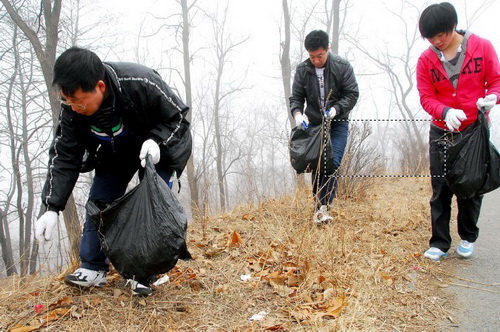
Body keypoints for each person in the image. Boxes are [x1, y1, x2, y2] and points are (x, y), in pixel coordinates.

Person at [34, 47, 192, 295]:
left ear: (100, 86)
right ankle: (93, 267)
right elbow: (65, 155)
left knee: (152, 203)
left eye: (78, 101)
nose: (73, 107)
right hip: (115, 151)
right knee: (100, 200)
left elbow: (178, 117)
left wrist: (157, 141)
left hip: (157, 147)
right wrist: (51, 207)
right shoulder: (71, 110)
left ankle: (144, 273)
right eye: (67, 101)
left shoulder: (139, 82)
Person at [416, 2, 500, 261]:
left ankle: (468, 236)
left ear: (452, 27)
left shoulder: (481, 47)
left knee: (470, 185)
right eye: (431, 37)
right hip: (441, 131)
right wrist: (444, 112)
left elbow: (496, 80)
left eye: (441, 34)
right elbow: (426, 97)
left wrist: (492, 97)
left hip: (473, 130)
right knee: (440, 188)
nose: (436, 41)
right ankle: (439, 243)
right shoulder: (426, 59)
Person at [290, 29, 359, 224]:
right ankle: (320, 208)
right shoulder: (303, 70)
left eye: (320, 55)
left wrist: (337, 108)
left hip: (337, 122)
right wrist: (297, 114)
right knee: (318, 164)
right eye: (312, 56)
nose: (316, 60)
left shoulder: (342, 66)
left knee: (332, 161)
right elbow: (296, 97)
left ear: (328, 49)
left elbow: (352, 93)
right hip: (314, 124)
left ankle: (324, 206)